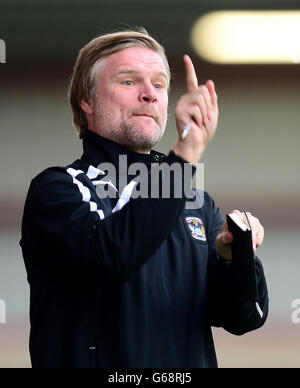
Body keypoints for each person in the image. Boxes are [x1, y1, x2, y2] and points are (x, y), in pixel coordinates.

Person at [20, 28, 269, 368]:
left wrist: (234, 258)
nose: (150, 94)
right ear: (87, 100)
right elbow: (113, 257)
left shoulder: (196, 202)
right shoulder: (58, 190)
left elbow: (245, 318)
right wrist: (185, 153)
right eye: (128, 82)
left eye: (159, 84)